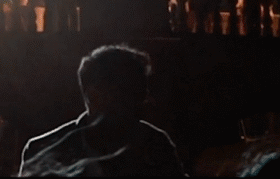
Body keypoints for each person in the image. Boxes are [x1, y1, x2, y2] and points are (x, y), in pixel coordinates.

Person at [18, 44, 184, 176]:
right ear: (93, 95)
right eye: (130, 91)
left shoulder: (156, 146)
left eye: (141, 92)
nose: (143, 101)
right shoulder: (45, 149)